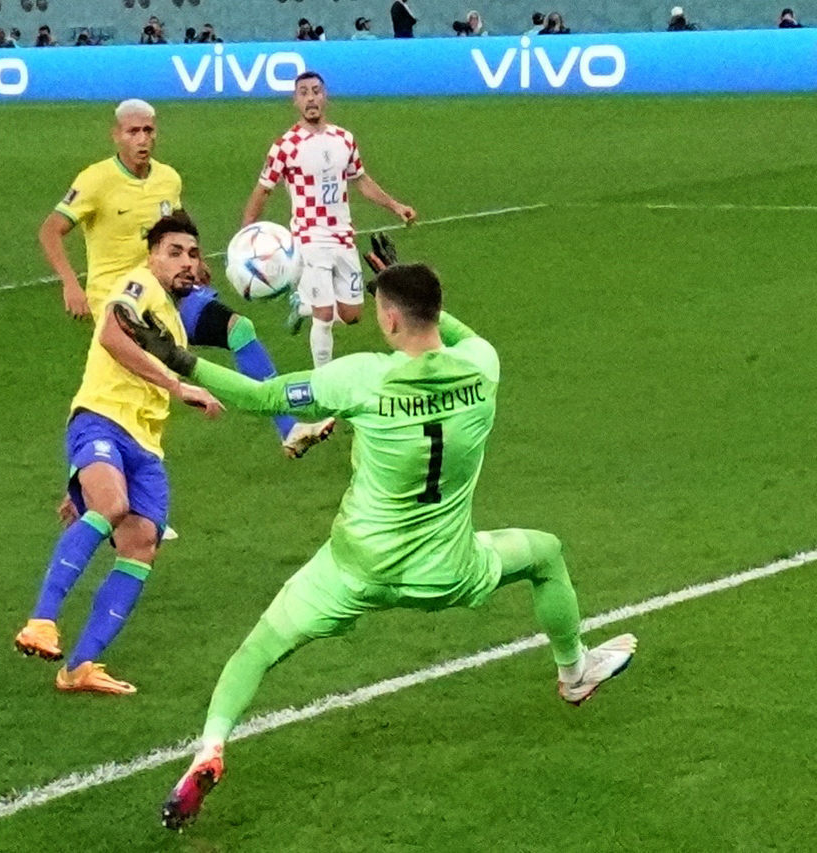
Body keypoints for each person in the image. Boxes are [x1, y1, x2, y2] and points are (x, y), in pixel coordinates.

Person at [118, 252, 638, 829]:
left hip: (352, 569)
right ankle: (573, 673)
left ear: (388, 321)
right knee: (545, 553)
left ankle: (210, 748)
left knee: (258, 650)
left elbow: (261, 399)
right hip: (448, 569)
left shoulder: (361, 377)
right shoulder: (482, 367)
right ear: (436, 311)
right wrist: (411, 291)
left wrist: (181, 359)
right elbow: (462, 335)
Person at [39, 99, 338, 458]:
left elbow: (178, 225)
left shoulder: (167, 178)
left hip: (169, 292)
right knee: (143, 394)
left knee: (239, 329)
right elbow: (50, 231)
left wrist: (195, 262)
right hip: (125, 304)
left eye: (148, 130)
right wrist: (70, 283)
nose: (142, 138)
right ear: (116, 135)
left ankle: (291, 429)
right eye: (133, 131)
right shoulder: (95, 181)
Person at [13, 214, 226, 695]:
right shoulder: (140, 283)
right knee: (111, 507)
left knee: (141, 544)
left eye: (193, 254)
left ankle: (80, 667)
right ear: (152, 254)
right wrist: (178, 386)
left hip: (146, 445)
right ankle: (41, 621)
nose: (186, 263)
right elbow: (111, 337)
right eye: (175, 252)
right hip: (103, 418)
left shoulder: (171, 318)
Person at [242, 71, 416, 368]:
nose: (310, 98)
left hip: (342, 236)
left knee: (352, 314)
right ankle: (324, 380)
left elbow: (360, 180)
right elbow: (263, 190)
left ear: (325, 96)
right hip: (308, 238)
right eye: (303, 93)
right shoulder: (285, 145)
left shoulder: (344, 139)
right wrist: (245, 233)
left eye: (316, 91)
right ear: (295, 101)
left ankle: (303, 305)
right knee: (324, 316)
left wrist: (395, 205)